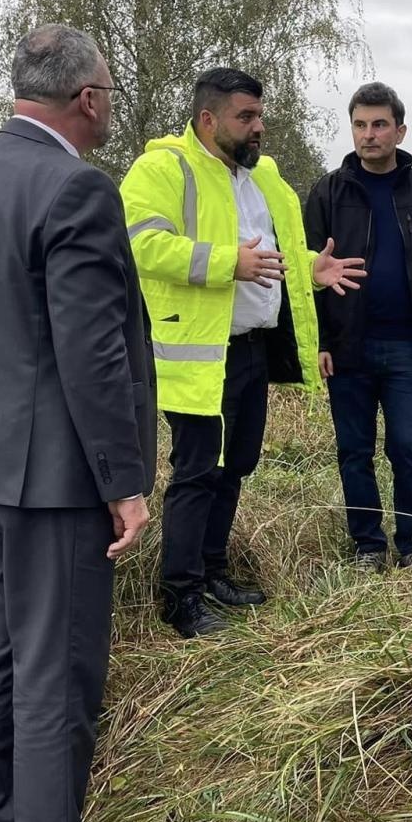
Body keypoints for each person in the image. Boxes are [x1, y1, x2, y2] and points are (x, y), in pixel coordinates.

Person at [0, 25, 153, 822]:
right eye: (108, 96)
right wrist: (123, 482)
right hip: (56, 477)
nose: (107, 110)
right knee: (56, 667)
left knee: (0, 651)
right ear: (87, 98)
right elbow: (92, 356)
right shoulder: (75, 189)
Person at [119, 67, 365, 638]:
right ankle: (180, 599)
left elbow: (272, 254)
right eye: (245, 117)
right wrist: (228, 262)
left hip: (252, 350)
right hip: (199, 354)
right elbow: (140, 245)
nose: (258, 128)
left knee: (236, 468)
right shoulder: (163, 169)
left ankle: (211, 574)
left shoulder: (263, 179)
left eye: (260, 117)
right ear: (208, 119)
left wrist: (312, 267)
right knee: (197, 472)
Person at [304, 82, 412, 570]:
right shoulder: (329, 192)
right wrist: (318, 341)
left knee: (408, 446)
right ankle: (368, 546)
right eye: (359, 124)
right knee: (354, 450)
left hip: (405, 347)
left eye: (379, 124)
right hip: (347, 348)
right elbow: (305, 268)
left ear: (399, 130)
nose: (368, 135)